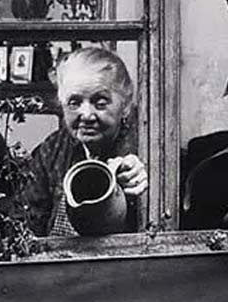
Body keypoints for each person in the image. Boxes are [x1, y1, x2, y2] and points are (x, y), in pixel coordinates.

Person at [18, 46, 148, 236]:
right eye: (74, 103)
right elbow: (27, 223)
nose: (86, 115)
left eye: (100, 102)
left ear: (126, 105)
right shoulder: (51, 151)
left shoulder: (147, 147)